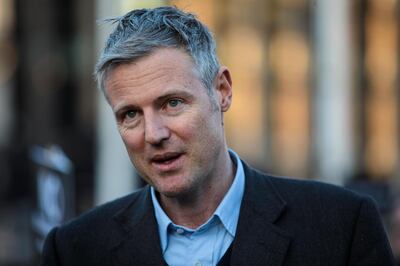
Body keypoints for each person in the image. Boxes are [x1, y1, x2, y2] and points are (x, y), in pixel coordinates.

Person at [41, 6, 395, 266]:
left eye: (172, 103)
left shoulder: (340, 227)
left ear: (222, 90)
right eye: (130, 114)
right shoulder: (75, 250)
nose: (154, 134)